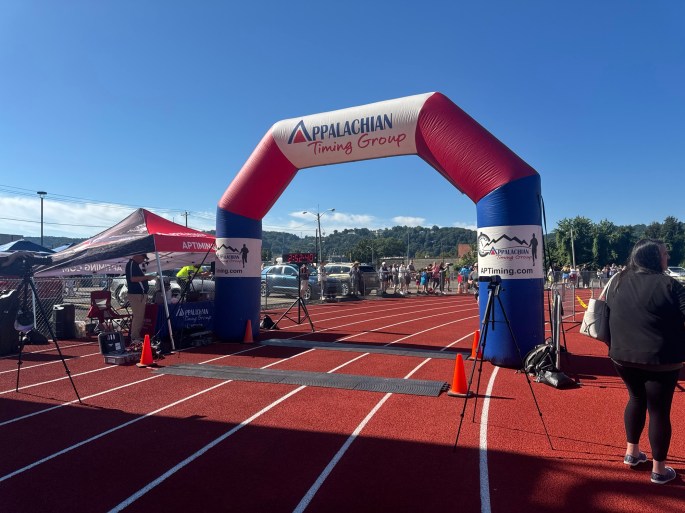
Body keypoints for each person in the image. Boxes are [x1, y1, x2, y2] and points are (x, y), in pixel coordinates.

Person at [606, 239, 685, 485]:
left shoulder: (618, 281)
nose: (668, 257)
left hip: (621, 356)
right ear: (653, 257)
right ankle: (659, 470)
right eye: (664, 253)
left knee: (636, 398)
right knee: (659, 410)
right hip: (660, 358)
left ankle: (632, 453)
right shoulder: (670, 285)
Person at [126, 254, 155, 343]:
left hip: (140, 295)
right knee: (138, 316)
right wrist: (146, 277)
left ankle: (135, 336)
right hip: (136, 294)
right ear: (137, 256)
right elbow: (133, 279)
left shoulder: (135, 265)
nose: (143, 260)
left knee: (140, 316)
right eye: (143, 258)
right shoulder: (131, 264)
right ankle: (134, 337)